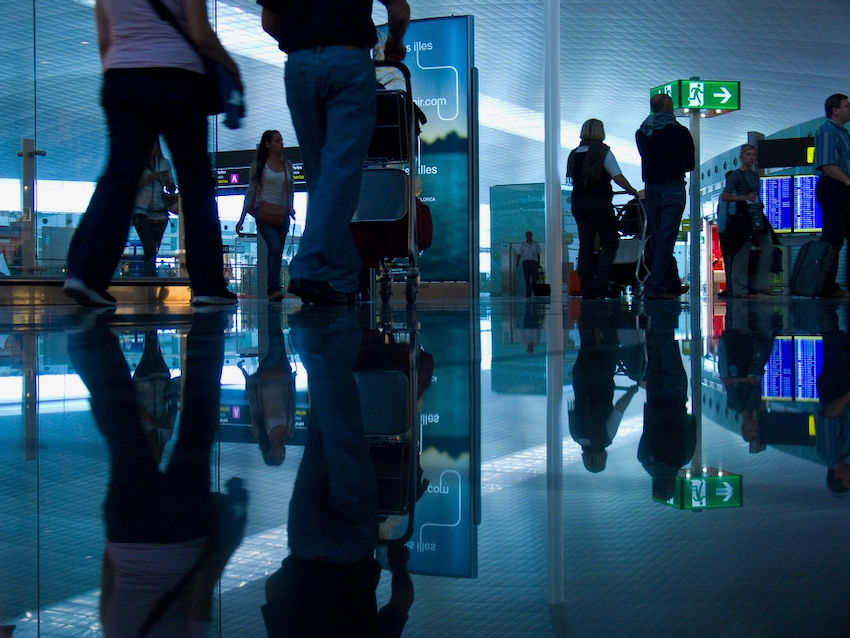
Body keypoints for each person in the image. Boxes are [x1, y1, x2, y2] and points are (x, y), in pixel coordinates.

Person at [67, 313, 247, 636]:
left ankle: (210, 327)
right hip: (128, 533)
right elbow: (109, 572)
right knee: (125, 433)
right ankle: (88, 340)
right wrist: (124, 534)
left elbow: (202, 584)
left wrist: (229, 540)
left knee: (197, 429)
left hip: (182, 535)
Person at [63, 0, 240, 307]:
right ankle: (208, 284)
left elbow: (105, 41)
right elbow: (200, 34)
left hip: (122, 78)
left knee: (119, 176)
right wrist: (232, 68)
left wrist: (122, 73)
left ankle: (86, 273)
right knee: (195, 181)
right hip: (179, 79)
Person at [258, 0, 411, 306]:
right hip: (349, 61)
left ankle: (343, 273)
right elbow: (398, 10)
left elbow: (269, 21)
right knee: (341, 172)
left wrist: (303, 44)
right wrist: (394, 40)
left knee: (321, 179)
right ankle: (308, 267)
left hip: (299, 66)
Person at [566, 118, 639, 299]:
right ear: (601, 132)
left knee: (586, 245)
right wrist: (632, 191)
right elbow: (617, 177)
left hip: (578, 202)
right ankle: (601, 283)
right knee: (610, 242)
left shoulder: (574, 154)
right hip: (598, 202)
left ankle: (586, 287)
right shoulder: (602, 152)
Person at [635, 93, 695, 300]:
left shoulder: (643, 133)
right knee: (666, 238)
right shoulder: (680, 132)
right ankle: (655, 285)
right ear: (669, 106)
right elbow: (690, 163)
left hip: (651, 188)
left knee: (660, 236)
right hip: (673, 188)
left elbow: (646, 157)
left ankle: (671, 283)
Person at [236, 130, 295, 302]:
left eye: (281, 140)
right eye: (277, 141)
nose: (281, 143)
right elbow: (251, 191)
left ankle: (275, 288)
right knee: (275, 247)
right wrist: (241, 218)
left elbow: (290, 191)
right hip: (264, 214)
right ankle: (273, 289)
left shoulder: (287, 166)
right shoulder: (259, 165)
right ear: (267, 144)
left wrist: (290, 208)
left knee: (278, 252)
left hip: (282, 214)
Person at [719, 144, 776, 296]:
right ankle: (739, 287)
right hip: (743, 217)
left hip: (755, 214)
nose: (751, 158)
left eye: (753, 155)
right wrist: (743, 198)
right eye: (748, 155)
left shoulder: (755, 176)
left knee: (768, 247)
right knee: (742, 252)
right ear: (742, 157)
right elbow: (725, 195)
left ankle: (761, 283)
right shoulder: (736, 175)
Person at [814, 93, 850, 298]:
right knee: (833, 236)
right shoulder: (827, 132)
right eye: (846, 105)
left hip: (843, 186)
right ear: (835, 110)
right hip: (833, 186)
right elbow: (827, 165)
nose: (849, 108)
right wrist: (846, 180)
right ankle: (827, 285)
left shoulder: (844, 133)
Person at [132, 138, 177, 276]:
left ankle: (149, 273)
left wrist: (167, 183)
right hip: (142, 210)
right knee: (149, 245)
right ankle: (149, 273)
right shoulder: (137, 163)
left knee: (153, 246)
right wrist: (149, 178)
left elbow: (171, 186)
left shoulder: (164, 163)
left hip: (160, 210)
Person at [515, 231, 542, 297]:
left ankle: (533, 288)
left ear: (531, 236)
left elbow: (538, 253)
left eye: (529, 235)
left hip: (534, 262)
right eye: (527, 235)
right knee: (527, 278)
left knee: (535, 277)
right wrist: (517, 261)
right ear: (525, 236)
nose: (528, 236)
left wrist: (538, 262)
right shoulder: (523, 244)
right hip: (526, 262)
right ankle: (528, 293)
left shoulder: (535, 244)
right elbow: (519, 253)